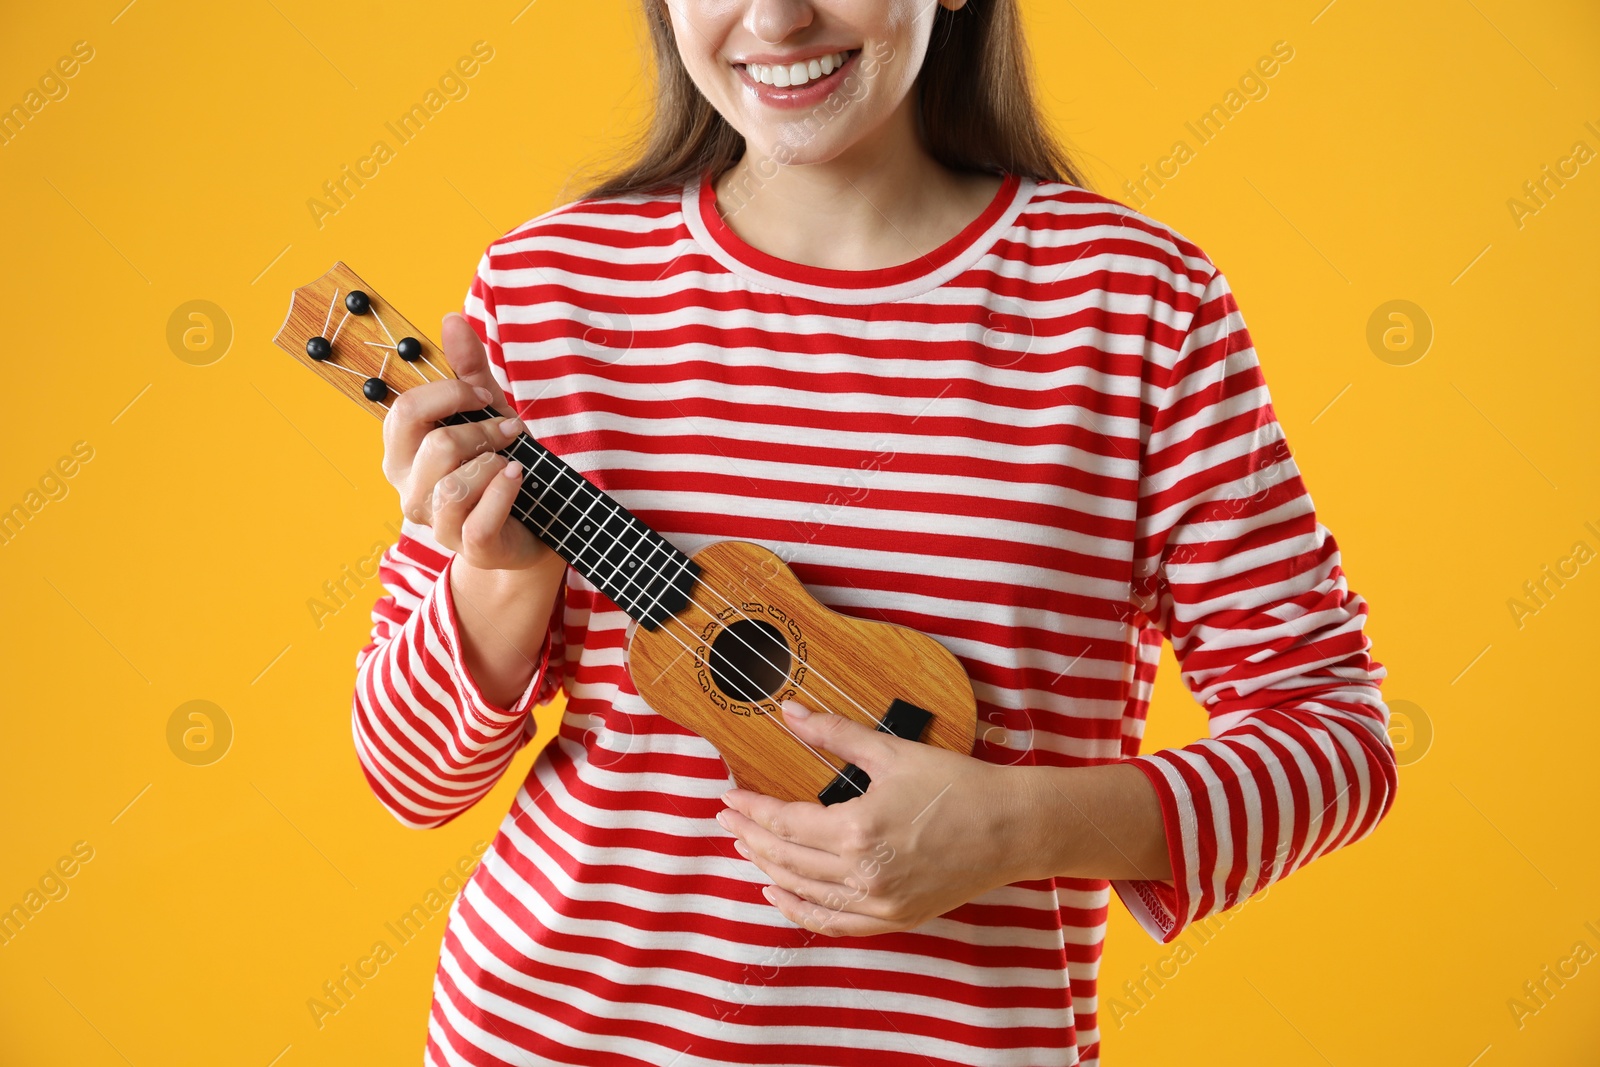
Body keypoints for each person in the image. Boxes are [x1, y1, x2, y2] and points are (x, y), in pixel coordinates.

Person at [352, 1, 1398, 1063]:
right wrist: (496, 579)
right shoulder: (548, 290)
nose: (776, 16)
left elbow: (1338, 739)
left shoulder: (1135, 308)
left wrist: (1015, 824)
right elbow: (408, 775)